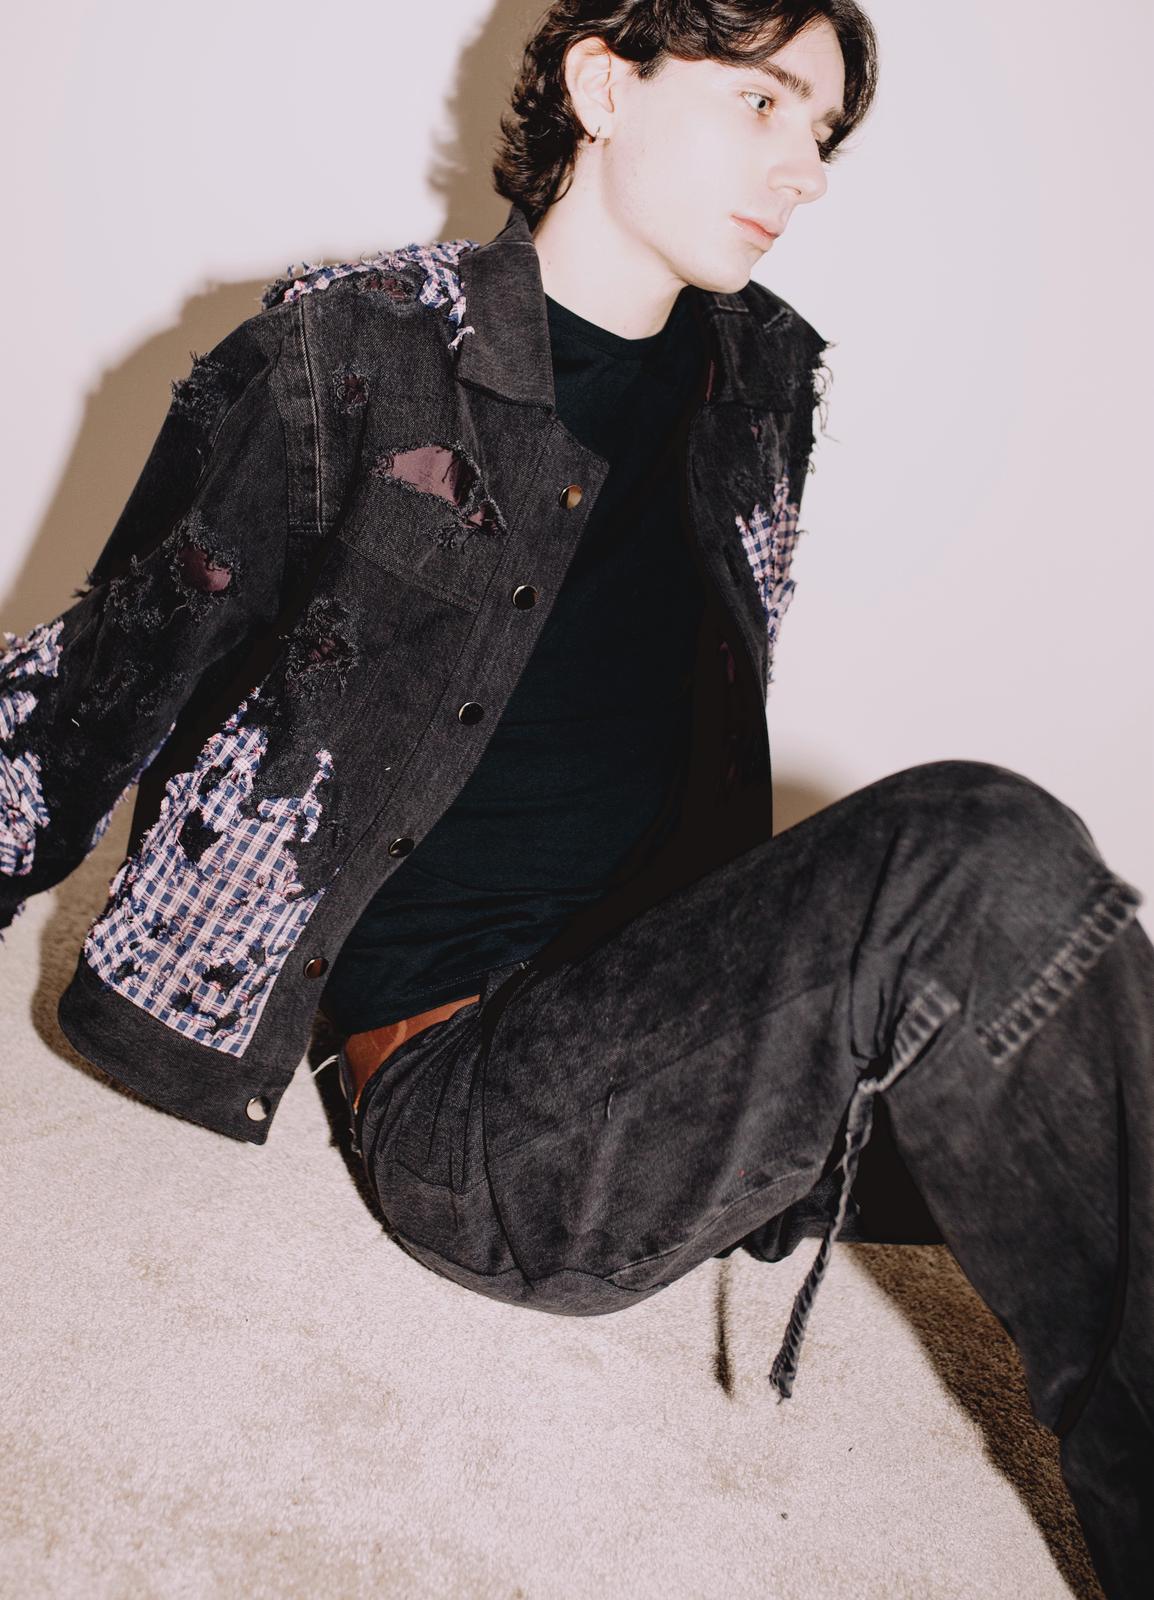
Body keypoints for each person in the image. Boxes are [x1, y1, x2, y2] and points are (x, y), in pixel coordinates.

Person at [1, 5, 1148, 1596]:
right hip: (482, 1115)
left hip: (697, 1044)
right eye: (762, 104)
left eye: (823, 132)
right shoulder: (352, 355)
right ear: (604, 83)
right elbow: (85, 692)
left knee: (1078, 1008)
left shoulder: (758, 375)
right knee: (978, 850)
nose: (806, 171)